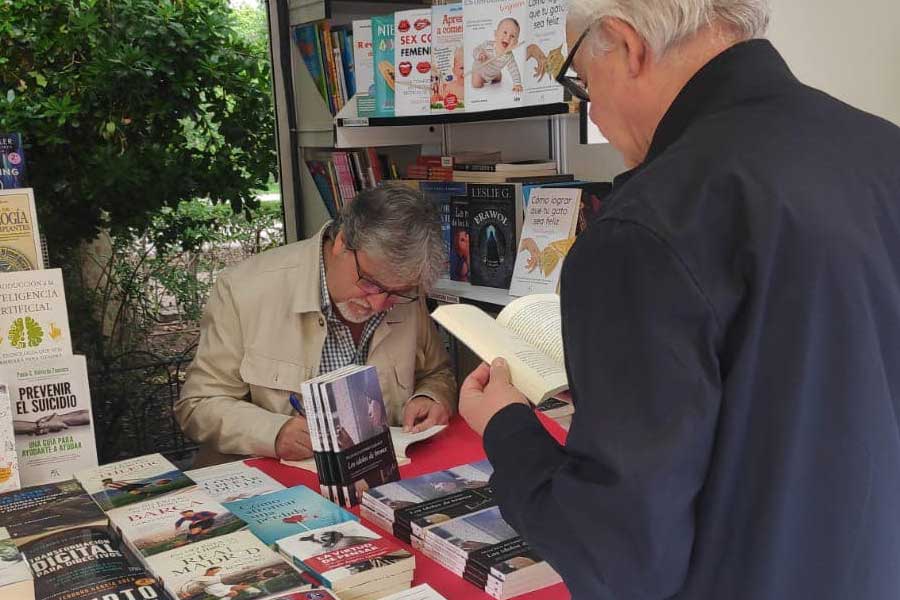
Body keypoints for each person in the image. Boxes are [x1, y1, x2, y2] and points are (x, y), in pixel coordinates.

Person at [459, 1, 900, 599]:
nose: (599, 115)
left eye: (584, 82)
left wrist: (507, 428)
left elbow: (619, 557)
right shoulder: (881, 149)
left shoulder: (647, 224)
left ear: (627, 45)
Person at [177, 184, 457, 467]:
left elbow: (436, 372)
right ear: (342, 242)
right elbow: (198, 405)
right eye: (370, 283)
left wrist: (431, 397)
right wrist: (274, 433)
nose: (378, 303)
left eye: (396, 293)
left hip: (378, 475)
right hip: (274, 485)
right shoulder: (243, 290)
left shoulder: (407, 295)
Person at [472, 18, 523, 92]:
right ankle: (481, 78)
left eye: (512, 36)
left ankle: (496, 75)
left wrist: (517, 83)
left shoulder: (509, 56)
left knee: (498, 79)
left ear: (515, 43)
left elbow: (514, 69)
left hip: (494, 73)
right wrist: (479, 54)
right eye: (505, 32)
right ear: (496, 34)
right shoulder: (488, 45)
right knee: (476, 85)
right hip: (480, 72)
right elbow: (476, 50)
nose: (508, 37)